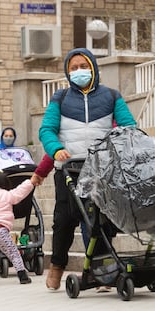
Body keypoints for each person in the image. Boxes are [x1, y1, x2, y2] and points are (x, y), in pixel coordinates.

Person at [39, 47, 136, 290]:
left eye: (83, 66)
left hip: (101, 169)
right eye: (73, 68)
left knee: (99, 220)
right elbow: (46, 130)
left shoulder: (111, 96)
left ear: (93, 68)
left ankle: (102, 270)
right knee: (63, 221)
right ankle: (57, 266)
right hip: (68, 168)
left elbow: (128, 126)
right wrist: (55, 148)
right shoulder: (60, 98)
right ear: (67, 72)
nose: (79, 71)